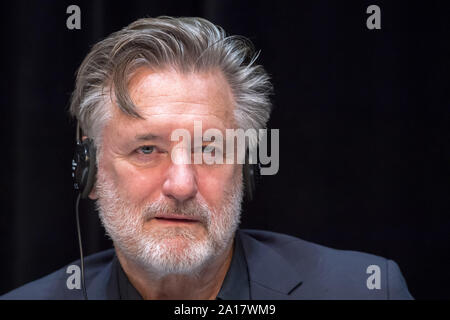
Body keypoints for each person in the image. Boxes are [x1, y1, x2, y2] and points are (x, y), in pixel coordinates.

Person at [1, 16, 413, 300]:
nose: (181, 185)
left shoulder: (363, 289)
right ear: (90, 171)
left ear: (245, 170)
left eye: (209, 150)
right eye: (147, 149)